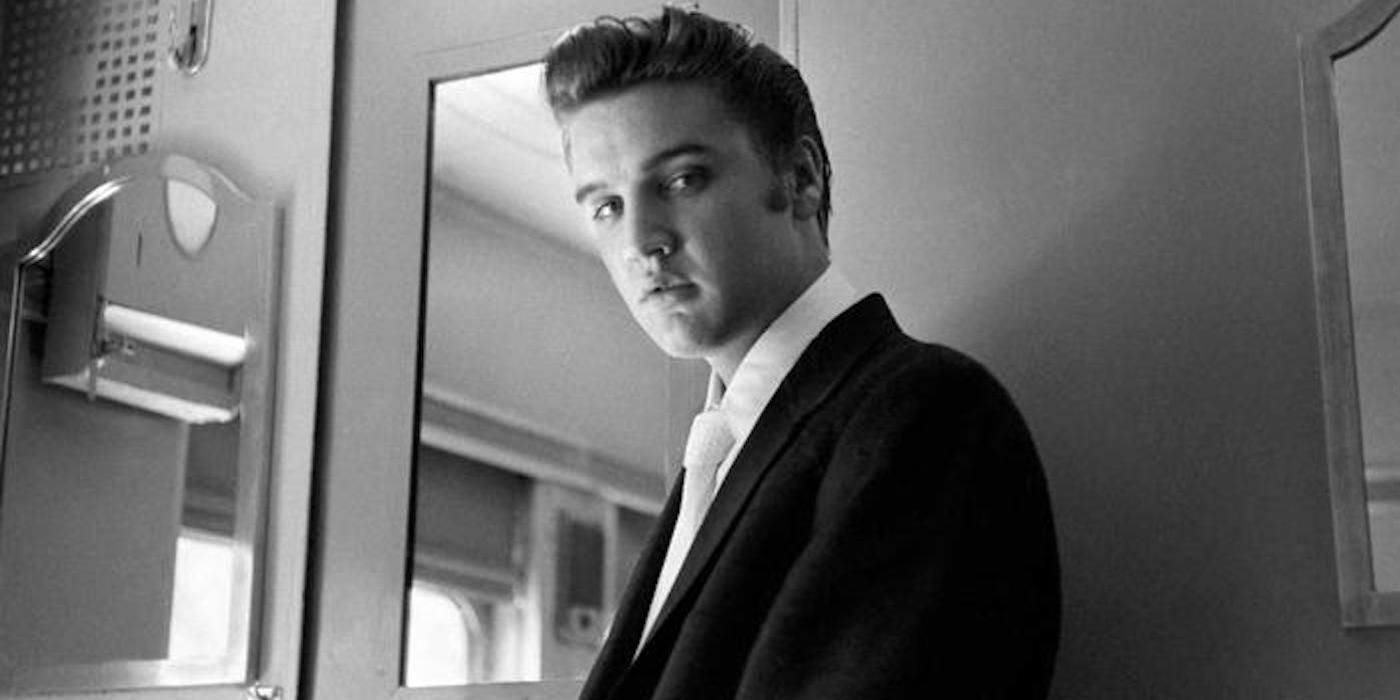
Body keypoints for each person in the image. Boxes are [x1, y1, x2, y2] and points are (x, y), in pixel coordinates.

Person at [544, 7, 1060, 698]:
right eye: (605, 205)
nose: (642, 240)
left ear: (800, 179)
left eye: (681, 180)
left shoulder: (924, 415)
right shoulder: (725, 453)